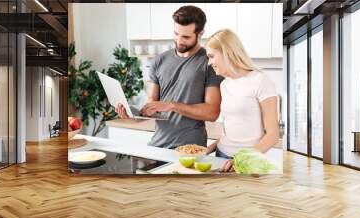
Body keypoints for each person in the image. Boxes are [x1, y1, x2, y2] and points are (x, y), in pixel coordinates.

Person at [116, 5, 223, 149]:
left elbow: (212, 113)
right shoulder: (160, 60)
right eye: (176, 33)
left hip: (190, 150)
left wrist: (172, 105)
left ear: (201, 33)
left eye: (186, 36)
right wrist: (133, 115)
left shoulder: (209, 62)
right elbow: (152, 106)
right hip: (157, 145)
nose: (179, 40)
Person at [205, 29, 279, 172]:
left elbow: (273, 135)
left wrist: (240, 160)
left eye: (212, 56)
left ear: (227, 53)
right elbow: (229, 130)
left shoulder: (261, 81)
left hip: (248, 161)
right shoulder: (224, 84)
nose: (209, 62)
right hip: (221, 156)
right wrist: (210, 148)